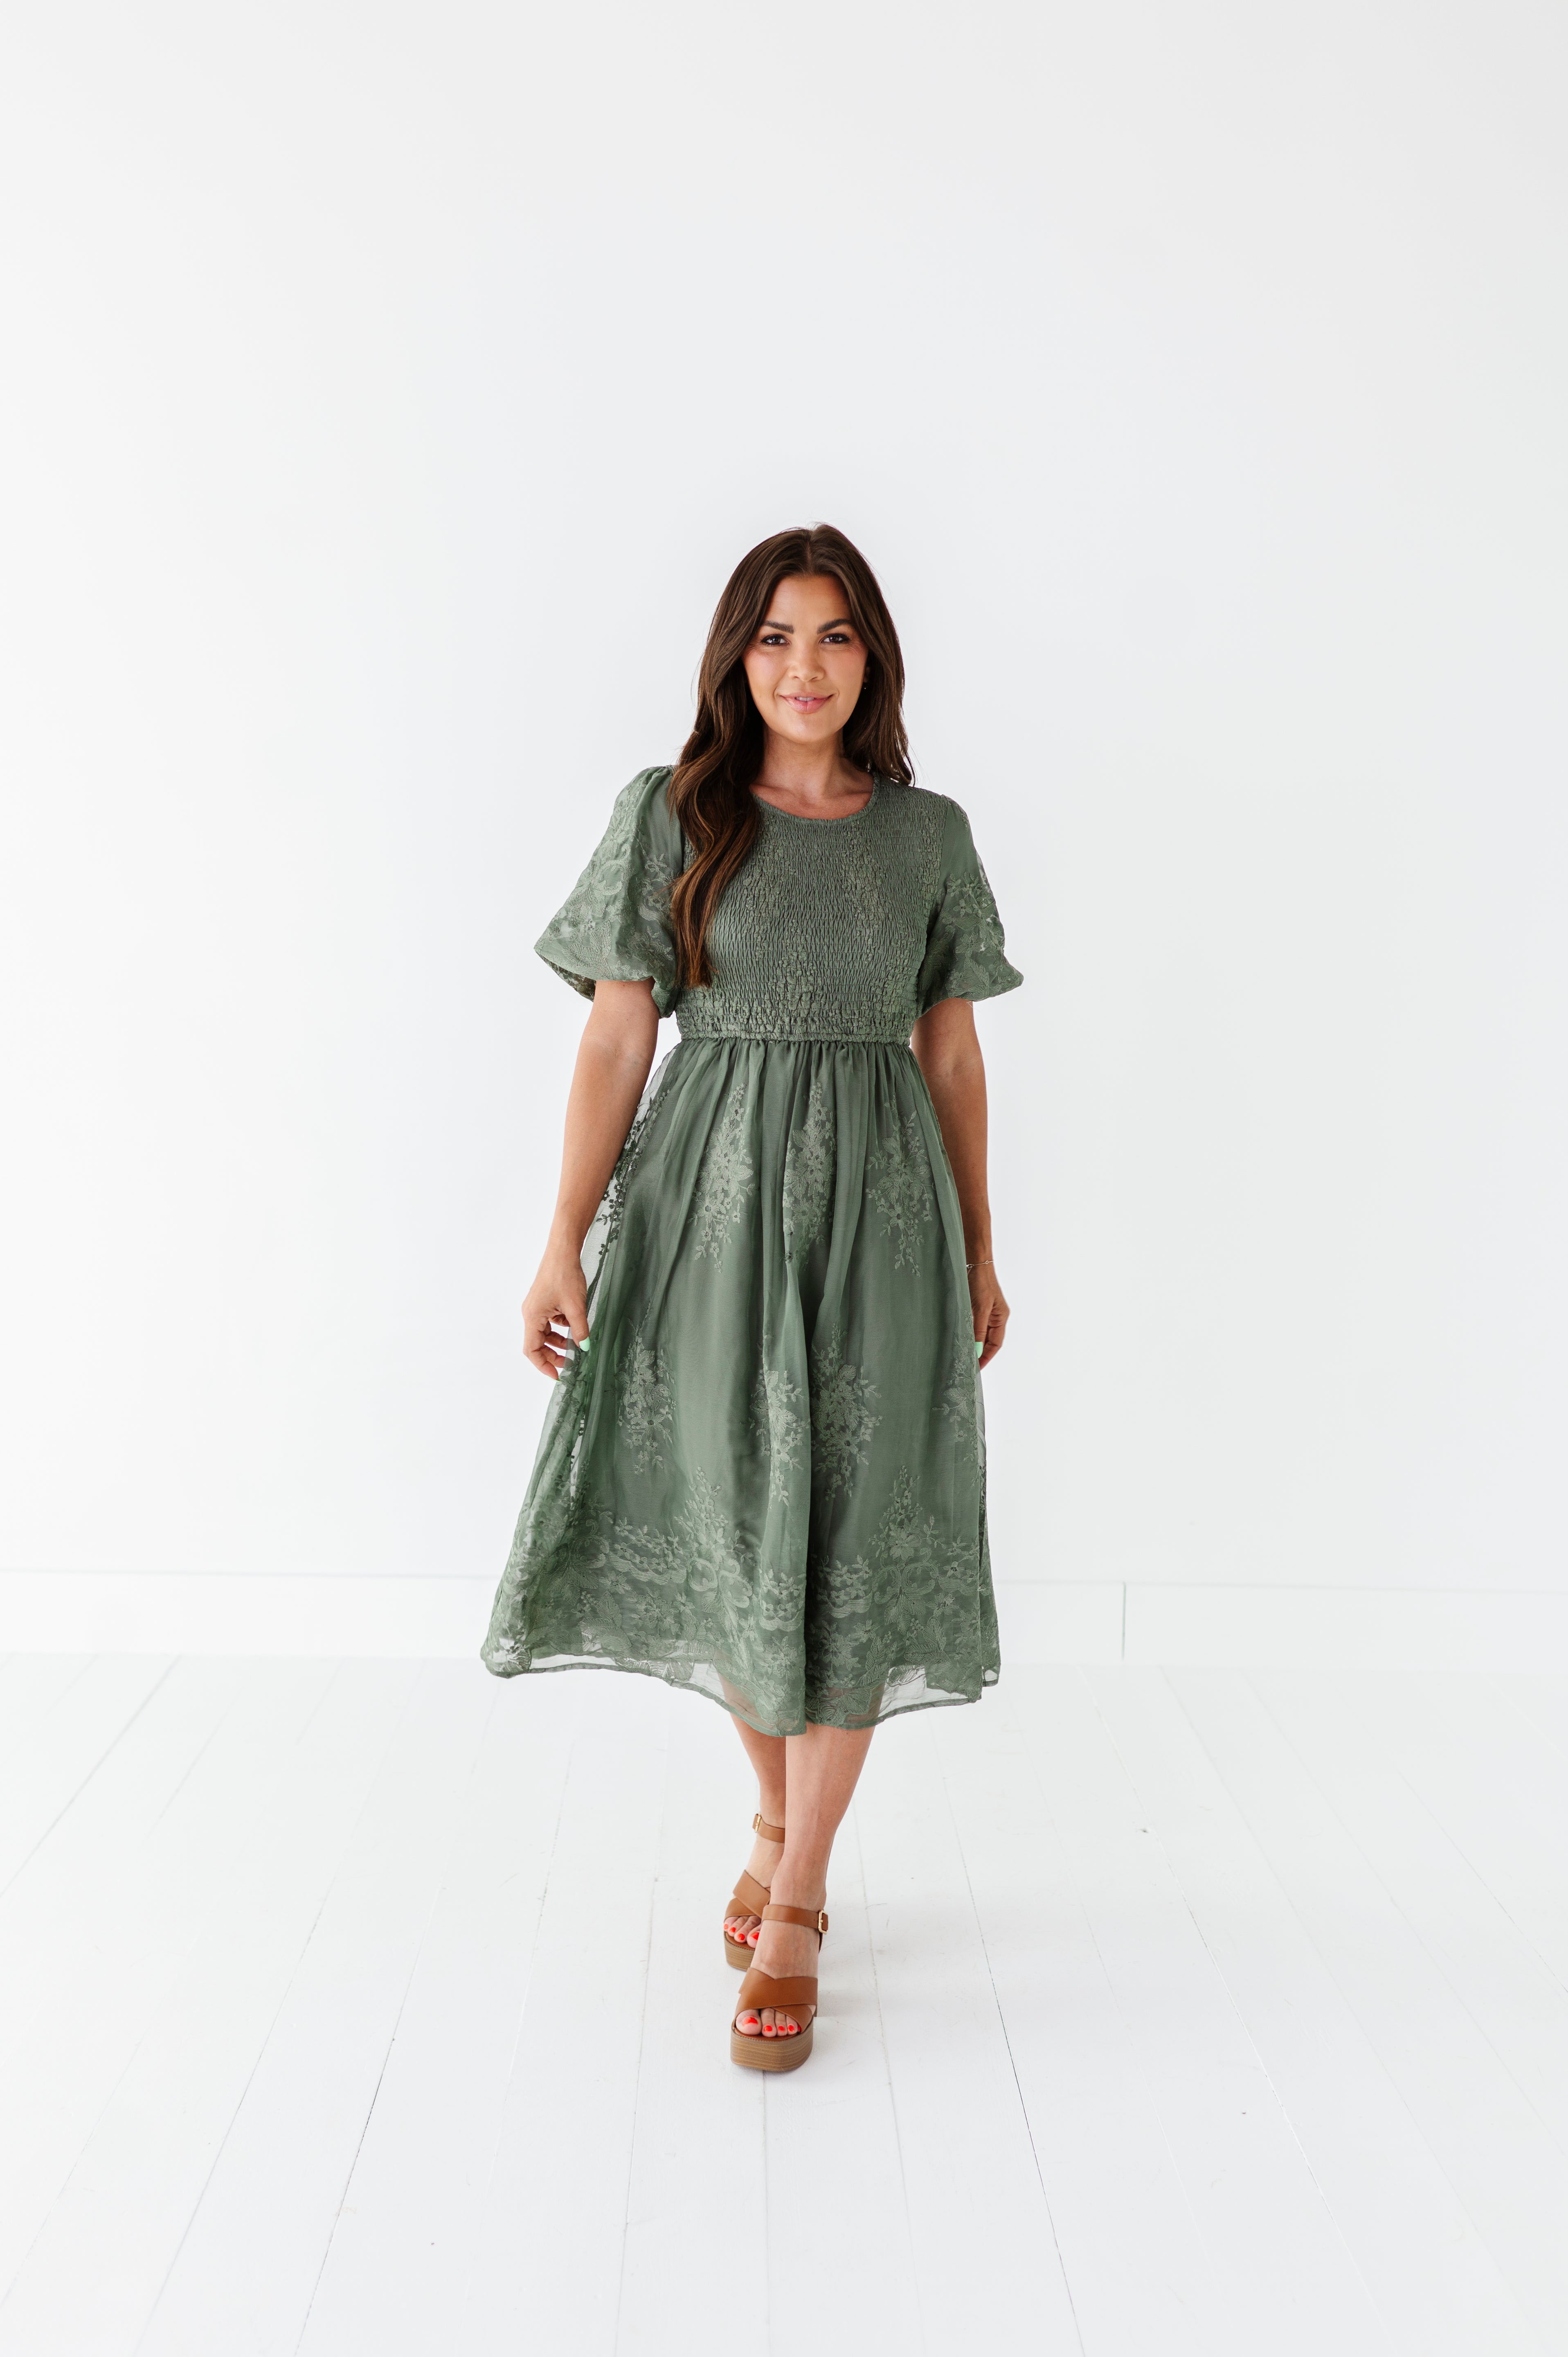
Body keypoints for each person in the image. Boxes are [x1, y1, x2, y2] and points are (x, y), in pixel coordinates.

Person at [481, 524, 1022, 2072]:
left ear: (873, 659)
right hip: (705, 1215)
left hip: (886, 1221)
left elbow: (952, 1052)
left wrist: (980, 1244)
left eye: (836, 635)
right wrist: (562, 1236)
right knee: (732, 1519)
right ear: (736, 656)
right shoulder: (672, 814)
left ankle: (796, 1892)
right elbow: (615, 1038)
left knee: (859, 1533)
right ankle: (780, 1814)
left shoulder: (927, 836)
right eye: (776, 636)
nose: (805, 665)